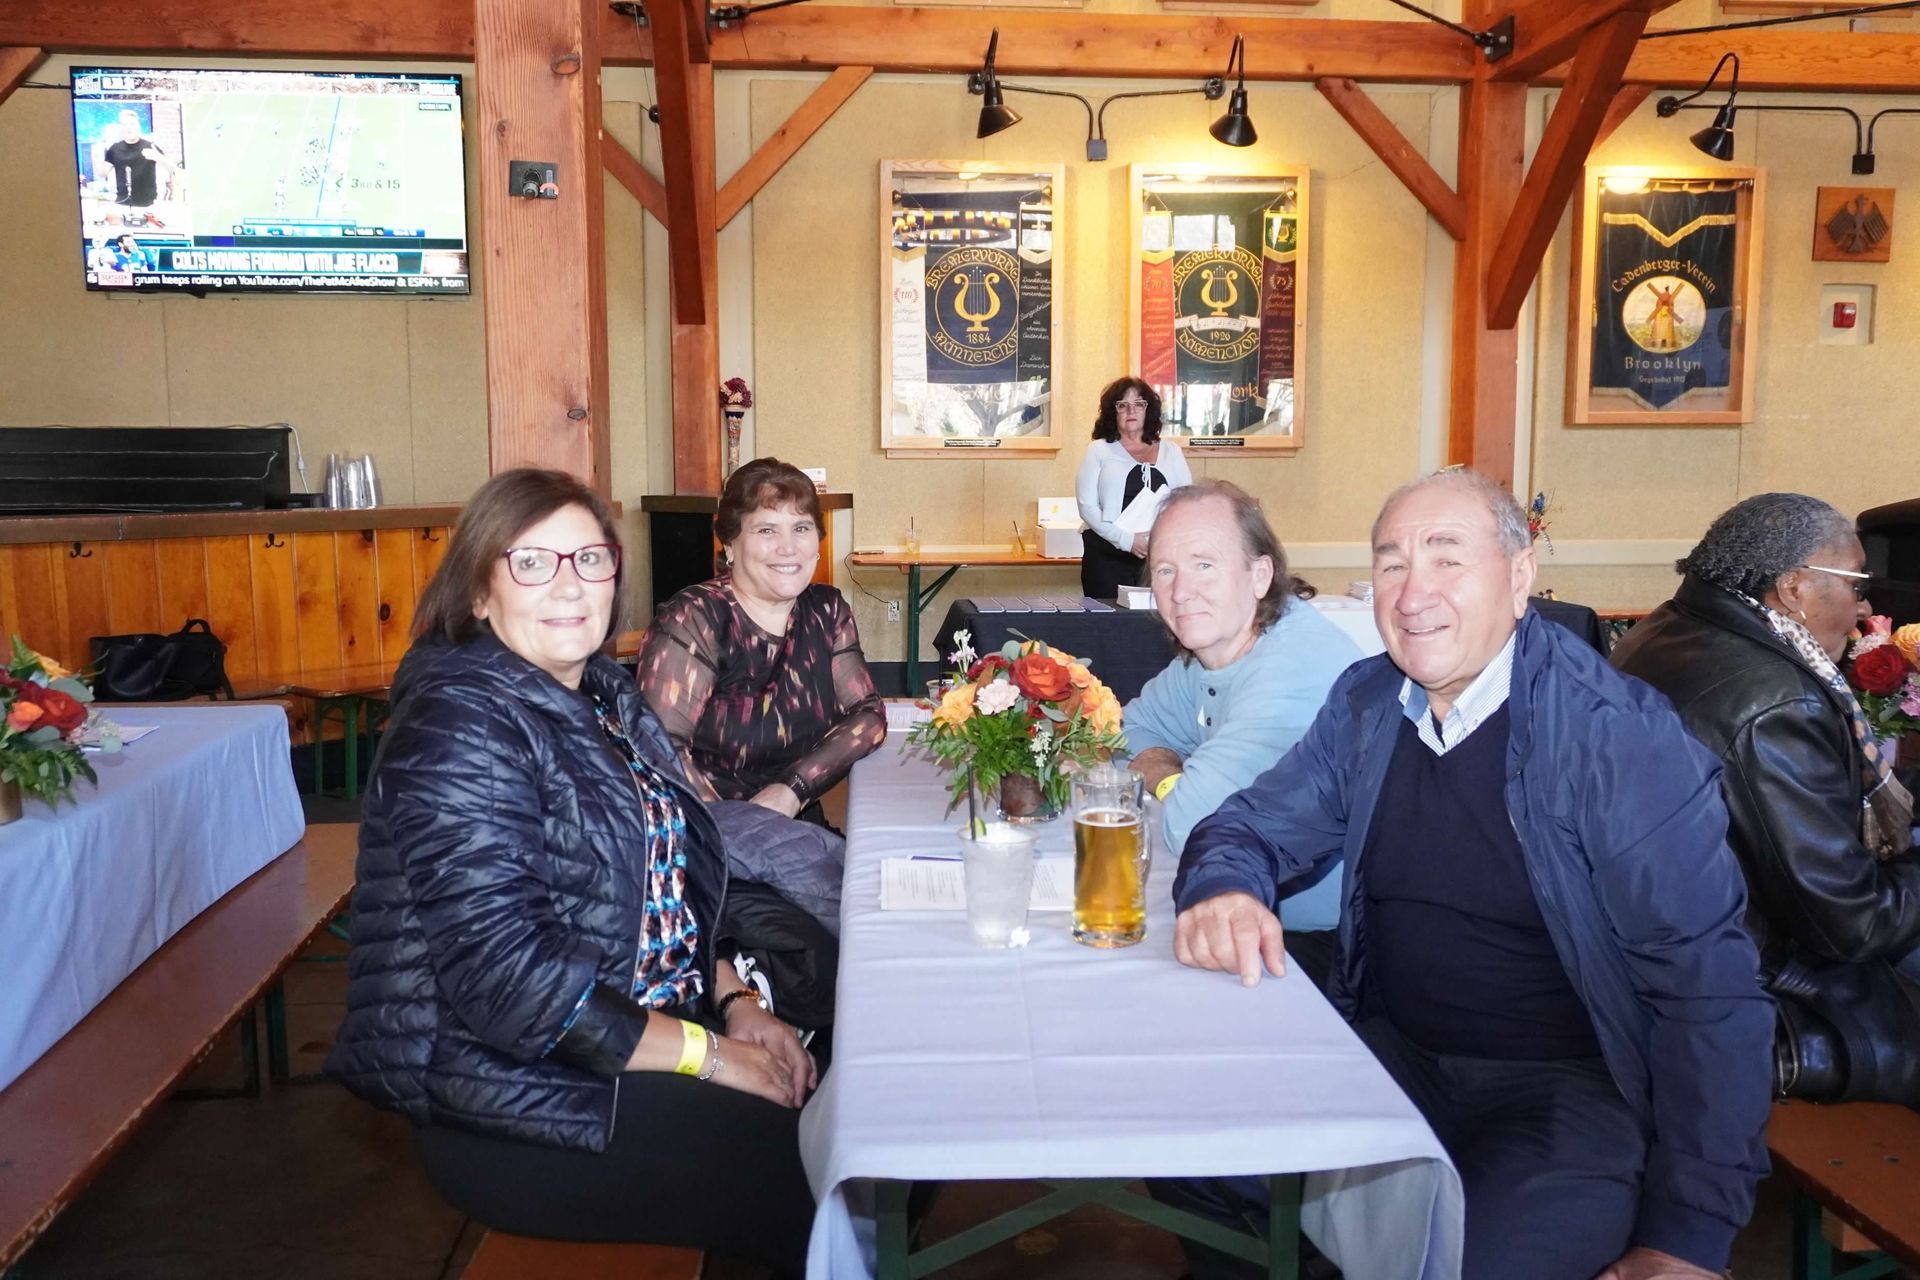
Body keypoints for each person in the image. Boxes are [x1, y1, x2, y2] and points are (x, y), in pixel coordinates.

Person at [1164, 469, 1773, 1280]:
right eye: (1391, 564)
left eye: (1447, 558)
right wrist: (1226, 887)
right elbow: (1249, 824)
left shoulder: (1620, 741)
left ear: (1519, 577)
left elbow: (1710, 991)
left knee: (1479, 1262)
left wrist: (1690, 1232)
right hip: (1393, 1052)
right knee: (1184, 1140)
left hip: (1564, 1088)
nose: (1413, 593)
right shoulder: (1370, 701)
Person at [327, 469, 817, 1275]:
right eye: (532, 562)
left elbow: (666, 900)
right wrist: (714, 1056)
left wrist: (733, 1001)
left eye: (589, 560)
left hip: (636, 1045)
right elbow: (509, 985)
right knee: (826, 1176)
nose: (568, 585)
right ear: (480, 592)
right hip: (519, 1096)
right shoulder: (459, 725)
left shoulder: (602, 695)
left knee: (863, 1117)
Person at [1612, 492, 1920, 1104]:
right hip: (1758, 986)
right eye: (1858, 584)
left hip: (1666, 949)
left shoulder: (1662, 629)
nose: (1865, 609)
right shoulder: (1776, 702)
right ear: (1794, 589)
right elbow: (1854, 925)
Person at [1122, 480, 1360, 986]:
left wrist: (1165, 782)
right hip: (1239, 918)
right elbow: (1131, 727)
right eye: (1166, 570)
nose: (1180, 591)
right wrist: (1174, 776)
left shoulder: (1295, 664)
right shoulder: (1216, 646)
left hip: (1318, 951)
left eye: (1204, 565)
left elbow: (1194, 827)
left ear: (1259, 575)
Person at [638, 457, 886, 922]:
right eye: (766, 530)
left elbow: (868, 715)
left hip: (792, 821)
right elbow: (659, 755)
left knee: (883, 888)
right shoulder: (696, 618)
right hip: (704, 839)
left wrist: (791, 790)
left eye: (801, 528)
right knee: (858, 917)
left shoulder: (825, 609)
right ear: (730, 544)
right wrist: (747, 826)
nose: (787, 547)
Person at [1076, 377, 1192, 599]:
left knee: (1155, 624)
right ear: (1113, 412)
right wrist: (1126, 540)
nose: (1131, 410)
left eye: (1139, 404)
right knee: (1109, 623)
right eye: (1123, 405)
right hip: (1107, 553)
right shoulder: (1098, 450)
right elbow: (1086, 506)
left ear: (1149, 410)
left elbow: (1185, 503)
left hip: (1157, 554)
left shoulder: (1172, 452)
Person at [103, 109, 178, 209]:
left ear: (138, 127)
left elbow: (172, 170)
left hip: (147, 206)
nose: (129, 128)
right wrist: (95, 156)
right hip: (122, 204)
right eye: (125, 125)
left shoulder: (150, 146)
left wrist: (158, 157)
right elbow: (102, 173)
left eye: (132, 124)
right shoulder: (115, 148)